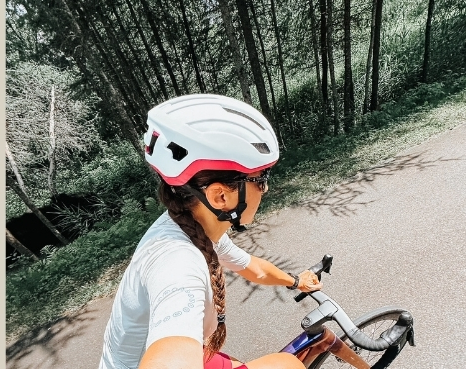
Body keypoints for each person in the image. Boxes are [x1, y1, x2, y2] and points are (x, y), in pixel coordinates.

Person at [99, 94, 322, 369]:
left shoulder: (193, 226)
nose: (267, 188)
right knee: (288, 365)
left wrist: (295, 281)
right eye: (261, 179)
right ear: (220, 197)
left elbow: (254, 268)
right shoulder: (178, 263)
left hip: (172, 354)